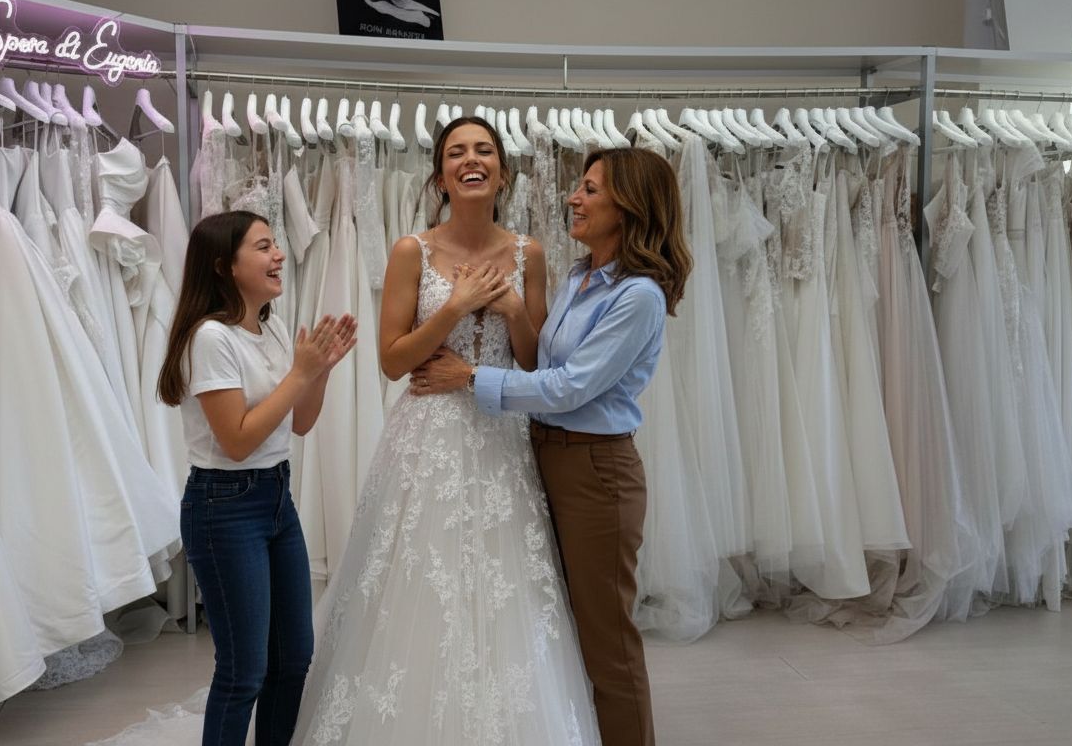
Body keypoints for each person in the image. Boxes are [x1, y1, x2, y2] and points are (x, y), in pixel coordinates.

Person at [288, 116, 601, 744]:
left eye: (484, 150)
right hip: (427, 434)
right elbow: (392, 360)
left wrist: (513, 309)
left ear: (503, 173)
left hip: (501, 437)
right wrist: (454, 308)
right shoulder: (414, 250)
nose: (471, 160)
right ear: (440, 177)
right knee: (419, 584)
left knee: (503, 585)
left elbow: (535, 363)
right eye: (456, 153)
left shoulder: (529, 253)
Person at [413, 147, 692, 746]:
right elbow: (544, 361)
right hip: (545, 455)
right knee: (559, 626)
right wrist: (515, 308)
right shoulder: (580, 277)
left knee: (607, 643)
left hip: (596, 470)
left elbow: (569, 387)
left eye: (590, 189)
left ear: (629, 206)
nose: (573, 198)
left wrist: (469, 377)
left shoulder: (637, 295)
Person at [157, 210, 356, 746]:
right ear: (225, 266)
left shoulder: (269, 328)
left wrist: (318, 373)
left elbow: (300, 422)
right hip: (224, 507)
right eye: (264, 246)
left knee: (293, 659)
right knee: (244, 670)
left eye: (275, 245)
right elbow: (238, 440)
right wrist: (300, 373)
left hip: (275, 499)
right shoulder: (210, 338)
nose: (279, 255)